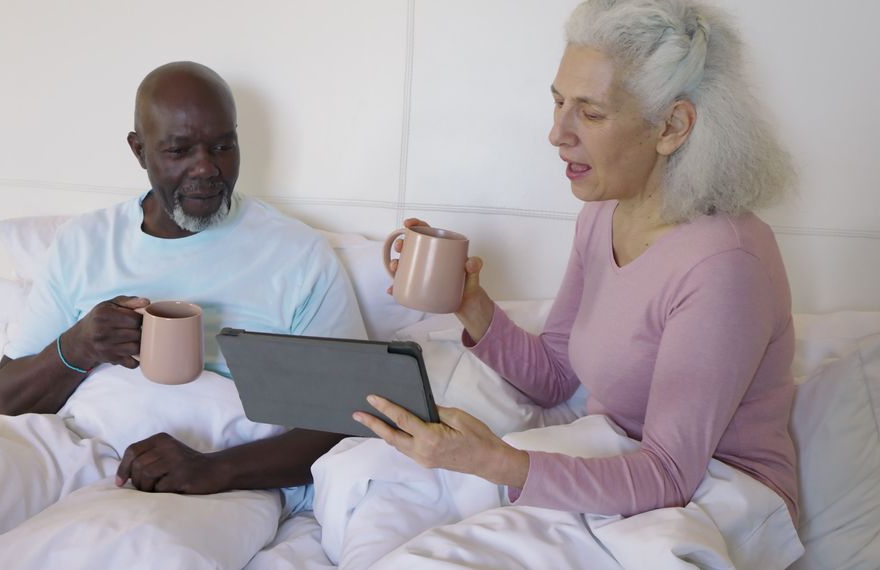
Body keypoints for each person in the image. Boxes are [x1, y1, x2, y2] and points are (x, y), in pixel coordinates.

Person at [0, 61, 366, 570]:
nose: (207, 169)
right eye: (178, 150)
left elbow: (346, 414)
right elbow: (9, 398)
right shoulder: (84, 244)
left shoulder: (296, 256)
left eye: (223, 146)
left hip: (213, 471)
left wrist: (213, 471)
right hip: (63, 443)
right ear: (138, 150)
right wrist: (78, 346)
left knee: (131, 553)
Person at [316, 0, 800, 567]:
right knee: (364, 476)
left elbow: (670, 473)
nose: (556, 133)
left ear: (671, 127)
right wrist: (470, 304)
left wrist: (496, 462)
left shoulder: (724, 265)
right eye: (558, 101)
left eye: (590, 114)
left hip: (712, 496)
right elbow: (553, 377)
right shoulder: (602, 215)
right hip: (614, 456)